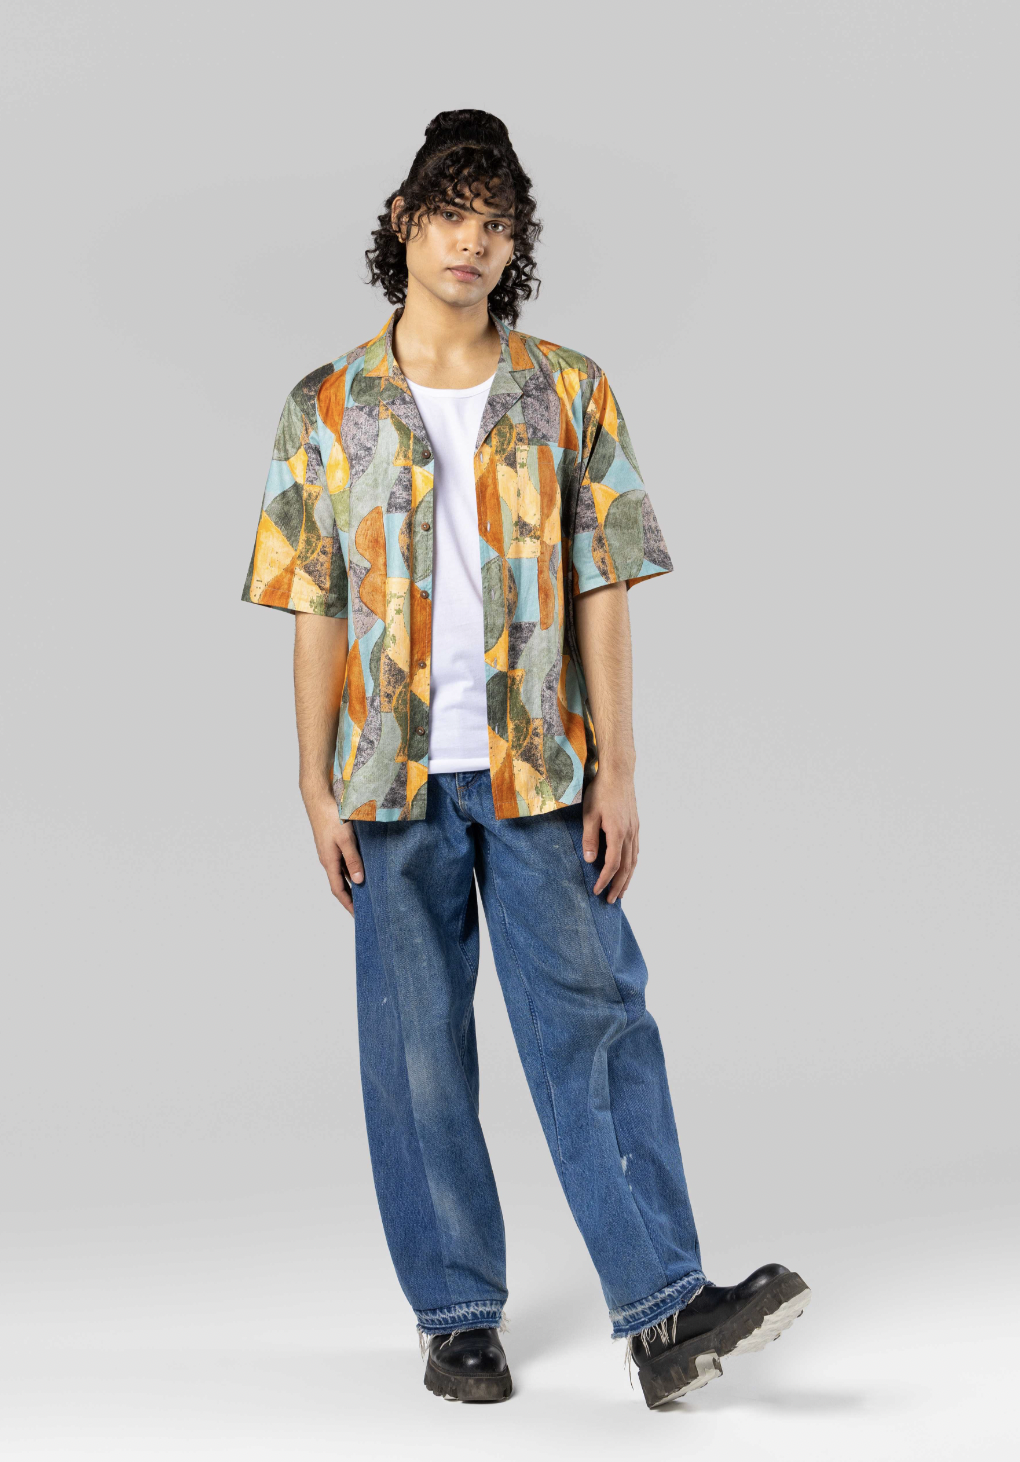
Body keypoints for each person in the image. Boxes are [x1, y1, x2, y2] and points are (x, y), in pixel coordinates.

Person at [241, 108, 810, 1408]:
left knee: (596, 1020)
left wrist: (622, 768)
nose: (473, 240)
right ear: (404, 219)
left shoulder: (571, 390)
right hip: (386, 778)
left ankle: (668, 1311)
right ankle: (456, 1315)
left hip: (540, 766)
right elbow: (312, 602)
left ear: (517, 243)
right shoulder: (325, 406)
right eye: (452, 211)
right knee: (417, 1053)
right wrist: (311, 783)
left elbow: (606, 580)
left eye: (497, 221)